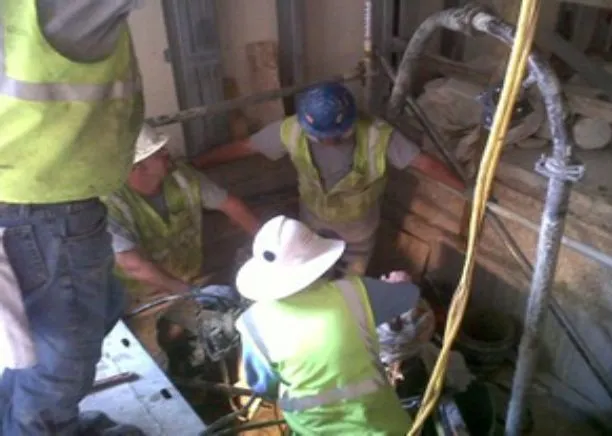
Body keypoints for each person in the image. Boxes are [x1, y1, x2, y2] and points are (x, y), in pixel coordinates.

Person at [0, 2, 145, 434]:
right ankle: (44, 426)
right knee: (62, 360)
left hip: (39, 203)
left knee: (78, 324)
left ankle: (34, 418)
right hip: (43, 209)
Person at [191, 82, 466, 276]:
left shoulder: (378, 136)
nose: (329, 141)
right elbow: (245, 147)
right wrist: (196, 164)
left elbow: (425, 163)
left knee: (349, 288)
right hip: (313, 228)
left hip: (358, 235)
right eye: (321, 136)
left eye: (337, 135)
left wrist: (468, 190)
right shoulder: (290, 131)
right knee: (313, 282)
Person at [234, 215, 422, 435]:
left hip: (311, 430)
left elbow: (264, 387)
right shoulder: (356, 292)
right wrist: (398, 282)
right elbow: (410, 295)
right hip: (378, 426)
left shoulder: (253, 324)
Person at [103, 124, 261, 368]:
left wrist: (268, 248)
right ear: (137, 166)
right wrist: (188, 290)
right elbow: (132, 264)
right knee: (150, 366)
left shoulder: (182, 178)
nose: (167, 154)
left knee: (228, 330)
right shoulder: (109, 204)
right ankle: (174, 386)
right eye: (158, 153)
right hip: (138, 298)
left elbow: (232, 206)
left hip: (188, 280)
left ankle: (204, 372)